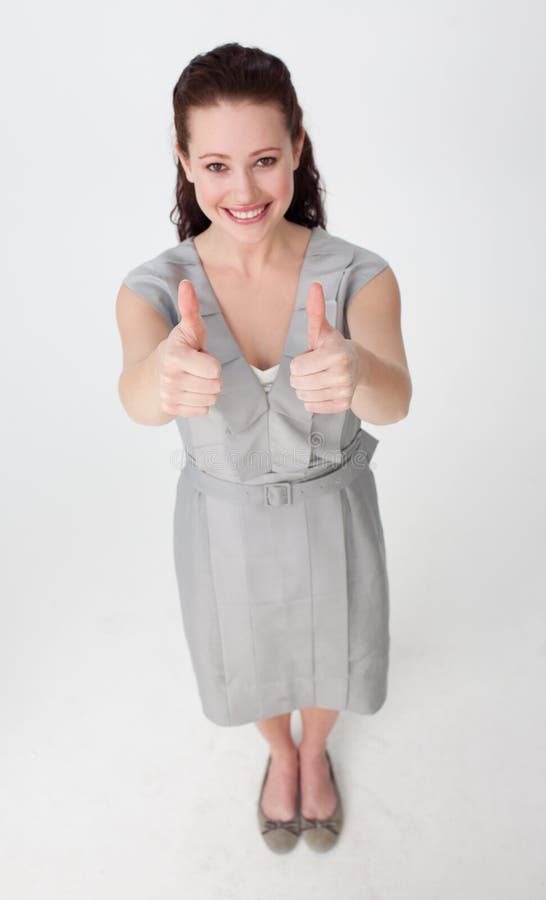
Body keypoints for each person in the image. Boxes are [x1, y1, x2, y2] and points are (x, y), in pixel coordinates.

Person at [116, 42, 412, 854]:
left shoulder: (360, 274)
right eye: (215, 165)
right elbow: (136, 394)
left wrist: (356, 369)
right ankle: (278, 753)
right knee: (243, 655)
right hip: (224, 525)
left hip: (332, 513)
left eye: (264, 161)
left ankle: (314, 751)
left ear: (297, 152)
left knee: (336, 650)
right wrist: (164, 376)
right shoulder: (153, 285)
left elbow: (399, 398)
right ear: (184, 162)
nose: (241, 190)